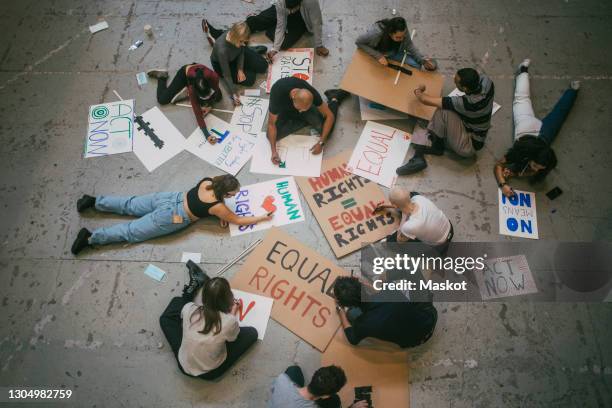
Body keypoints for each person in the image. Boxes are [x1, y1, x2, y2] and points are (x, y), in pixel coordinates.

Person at [70, 175, 273, 255]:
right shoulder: (218, 207)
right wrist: (262, 217)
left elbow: (215, 206)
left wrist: (220, 213)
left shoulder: (208, 181)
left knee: (130, 204)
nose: (234, 196)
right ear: (225, 194)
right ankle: (89, 238)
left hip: (168, 198)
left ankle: (93, 201)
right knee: (132, 232)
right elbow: (237, 220)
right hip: (173, 217)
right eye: (233, 194)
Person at [495, 59, 580, 197]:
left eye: (539, 168)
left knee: (559, 114)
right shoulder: (520, 150)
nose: (535, 169)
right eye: (535, 166)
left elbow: (532, 171)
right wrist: (503, 184)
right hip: (526, 127)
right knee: (523, 99)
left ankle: (573, 91)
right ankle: (523, 70)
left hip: (544, 135)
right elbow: (498, 165)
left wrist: (515, 173)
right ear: (531, 156)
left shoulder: (547, 160)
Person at [160, 270, 259, 380]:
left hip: (184, 362)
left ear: (203, 297)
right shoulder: (229, 322)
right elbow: (233, 338)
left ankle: (191, 289)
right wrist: (232, 314)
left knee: (173, 307)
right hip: (210, 372)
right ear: (229, 299)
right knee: (252, 333)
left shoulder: (189, 308)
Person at [397, 68, 495, 175]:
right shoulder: (487, 83)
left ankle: (434, 148)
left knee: (440, 111)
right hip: (473, 128)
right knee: (439, 114)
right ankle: (421, 152)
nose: (453, 79)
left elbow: (424, 100)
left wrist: (418, 90)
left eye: (456, 81)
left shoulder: (467, 103)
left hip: (468, 144)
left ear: (465, 88)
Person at [333, 276, 438, 348]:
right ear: (361, 284)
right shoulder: (390, 289)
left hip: (412, 342)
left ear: (348, 304)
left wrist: (340, 311)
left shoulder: (363, 323)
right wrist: (367, 285)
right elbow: (380, 293)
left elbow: (352, 339)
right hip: (429, 317)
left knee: (351, 314)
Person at [267, 77, 350, 164]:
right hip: (285, 112)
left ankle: (334, 98)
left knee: (327, 132)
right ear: (293, 97)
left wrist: (321, 142)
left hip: (305, 110)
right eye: (300, 109)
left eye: (305, 108)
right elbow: (271, 124)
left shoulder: (311, 93)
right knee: (272, 136)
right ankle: (305, 120)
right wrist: (273, 152)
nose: (301, 111)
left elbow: (329, 116)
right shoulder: (277, 94)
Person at [203, 0, 328, 58]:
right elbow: (281, 25)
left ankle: (267, 28)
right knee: (256, 21)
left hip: (301, 19)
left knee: (284, 44)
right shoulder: (281, 3)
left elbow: (317, 22)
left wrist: (319, 45)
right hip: (281, 12)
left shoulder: (310, 2)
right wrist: (274, 49)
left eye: (291, 9)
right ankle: (220, 34)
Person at [147, 64, 222, 142]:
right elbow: (196, 109)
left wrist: (210, 106)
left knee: (219, 97)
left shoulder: (213, 77)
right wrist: (206, 134)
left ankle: (186, 92)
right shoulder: (192, 89)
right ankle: (162, 77)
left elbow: (215, 92)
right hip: (185, 74)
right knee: (162, 100)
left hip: (198, 73)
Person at [374, 187, 453, 255]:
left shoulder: (409, 226)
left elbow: (399, 241)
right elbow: (406, 202)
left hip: (439, 244)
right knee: (413, 194)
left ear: (395, 205)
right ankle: (400, 202)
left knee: (391, 242)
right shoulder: (419, 198)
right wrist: (387, 206)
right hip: (449, 227)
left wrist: (403, 222)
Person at [210, 22, 269, 106]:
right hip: (222, 65)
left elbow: (241, 51)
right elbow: (227, 75)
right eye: (242, 41)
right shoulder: (222, 50)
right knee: (250, 79)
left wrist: (240, 69)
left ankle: (251, 52)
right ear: (234, 38)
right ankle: (252, 52)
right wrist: (233, 93)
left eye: (245, 41)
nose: (244, 44)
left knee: (263, 65)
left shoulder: (236, 35)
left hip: (235, 54)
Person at [355, 16, 436, 71]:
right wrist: (378, 56)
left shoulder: (402, 30)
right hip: (377, 52)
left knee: (417, 66)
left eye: (403, 36)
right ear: (390, 33)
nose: (402, 39)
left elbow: (409, 45)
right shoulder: (375, 33)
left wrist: (422, 61)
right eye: (398, 37)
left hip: (392, 52)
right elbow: (358, 42)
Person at [269, 365, 367, 408]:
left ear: (314, 375)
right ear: (325, 396)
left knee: (293, 370)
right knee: (335, 400)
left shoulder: (282, 379)